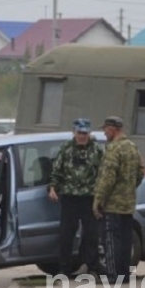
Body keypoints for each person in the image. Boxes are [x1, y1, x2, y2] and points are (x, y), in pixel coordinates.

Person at [49, 118, 104, 276]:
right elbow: (57, 171)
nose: (82, 136)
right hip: (70, 197)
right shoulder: (66, 148)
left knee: (91, 235)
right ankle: (64, 269)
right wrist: (53, 188)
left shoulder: (97, 150)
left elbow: (103, 173)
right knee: (66, 235)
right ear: (74, 133)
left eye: (85, 133)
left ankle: (92, 268)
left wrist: (101, 195)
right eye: (79, 133)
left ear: (89, 133)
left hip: (89, 198)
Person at [93, 116, 144, 284]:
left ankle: (113, 275)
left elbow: (108, 177)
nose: (104, 132)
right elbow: (140, 172)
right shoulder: (132, 147)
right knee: (125, 240)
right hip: (127, 204)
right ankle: (124, 274)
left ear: (112, 129)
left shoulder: (114, 149)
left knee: (110, 240)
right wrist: (128, 188)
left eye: (105, 129)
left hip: (112, 204)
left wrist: (99, 200)